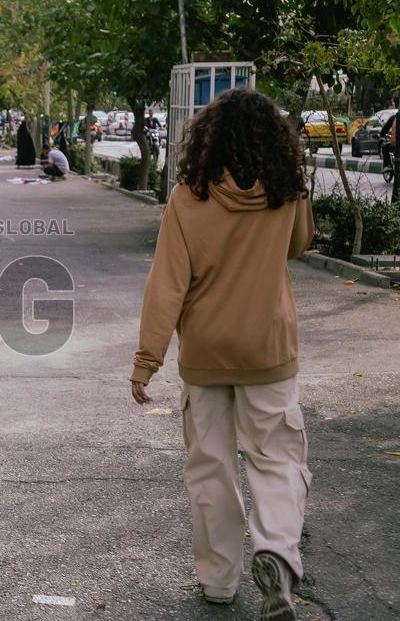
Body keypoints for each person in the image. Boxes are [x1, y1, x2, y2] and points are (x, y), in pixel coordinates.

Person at [130, 88, 314, 619]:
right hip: (269, 348)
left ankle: (218, 582)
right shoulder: (286, 191)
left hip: (207, 352)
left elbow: (167, 285)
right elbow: (298, 245)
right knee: (277, 458)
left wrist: (147, 360)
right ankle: (277, 554)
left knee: (210, 467)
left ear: (206, 139)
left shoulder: (189, 197)